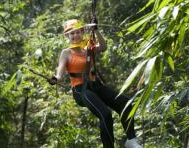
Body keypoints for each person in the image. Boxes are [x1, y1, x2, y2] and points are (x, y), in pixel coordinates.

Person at [49, 19, 142, 148]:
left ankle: (131, 140)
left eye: (77, 32)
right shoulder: (66, 53)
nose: (75, 36)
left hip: (95, 85)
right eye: (72, 34)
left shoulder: (88, 48)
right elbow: (60, 71)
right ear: (67, 36)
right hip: (81, 90)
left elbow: (103, 47)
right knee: (105, 114)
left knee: (125, 103)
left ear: (82, 32)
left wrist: (96, 30)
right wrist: (56, 78)